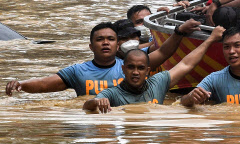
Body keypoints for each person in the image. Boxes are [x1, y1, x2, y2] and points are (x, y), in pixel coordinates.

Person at [5, 20, 200, 97]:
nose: (105, 43)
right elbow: (45, 84)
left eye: (110, 39)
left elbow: (164, 53)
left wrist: (178, 31)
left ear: (118, 45)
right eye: (99, 40)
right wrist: (20, 84)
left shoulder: (132, 67)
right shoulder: (77, 71)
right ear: (91, 46)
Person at [83, 27, 225, 112]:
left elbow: (186, 64)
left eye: (141, 68)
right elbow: (86, 106)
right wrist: (95, 103)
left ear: (148, 71)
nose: (136, 72)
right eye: (131, 67)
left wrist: (210, 40)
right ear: (123, 69)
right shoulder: (112, 93)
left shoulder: (158, 82)